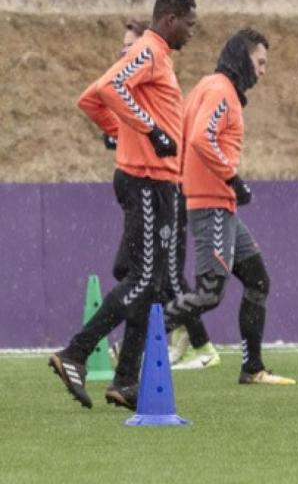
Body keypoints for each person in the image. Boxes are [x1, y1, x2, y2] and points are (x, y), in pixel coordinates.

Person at [50, 0, 197, 411]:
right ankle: (76, 353)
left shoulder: (155, 56)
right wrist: (149, 132)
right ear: (169, 19)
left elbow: (91, 98)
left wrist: (120, 132)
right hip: (149, 182)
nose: (191, 33)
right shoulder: (151, 50)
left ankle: (126, 381)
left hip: (153, 182)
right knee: (145, 280)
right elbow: (113, 87)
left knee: (148, 286)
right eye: (189, 24)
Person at [80, 18, 221, 372]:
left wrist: (142, 131)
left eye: (131, 44)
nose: (125, 50)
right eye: (123, 45)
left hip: (167, 183)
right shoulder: (137, 72)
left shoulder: (152, 63)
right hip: (145, 179)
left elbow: (166, 131)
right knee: (136, 274)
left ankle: (199, 345)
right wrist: (122, 132)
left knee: (164, 277)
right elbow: (89, 100)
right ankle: (129, 361)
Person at [161, 29, 294, 386]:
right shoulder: (220, 89)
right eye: (260, 62)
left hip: (220, 205)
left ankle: (252, 368)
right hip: (212, 204)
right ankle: (138, 338)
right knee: (209, 293)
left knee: (257, 280)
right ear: (243, 57)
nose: (263, 71)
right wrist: (231, 177)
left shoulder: (211, 86)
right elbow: (202, 137)